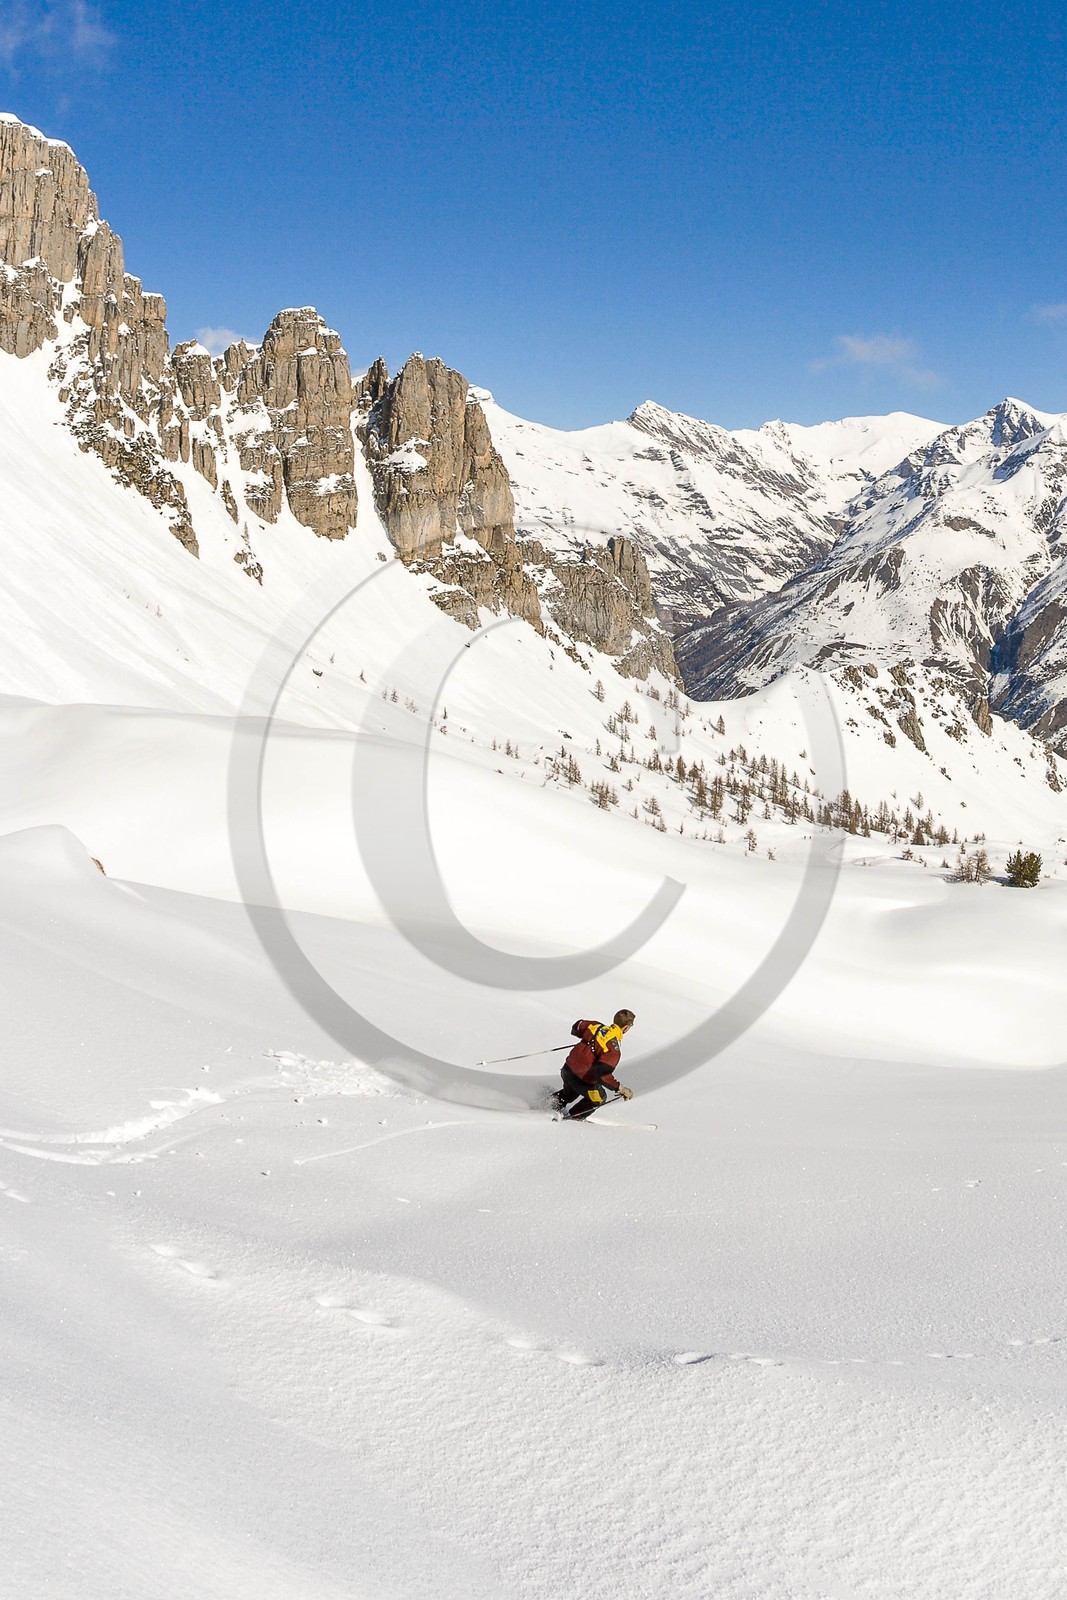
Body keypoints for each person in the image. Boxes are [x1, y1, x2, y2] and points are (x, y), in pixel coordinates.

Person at [552, 1009, 636, 1119]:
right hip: (582, 1080)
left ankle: (548, 1105)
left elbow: (577, 1026)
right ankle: (571, 1119)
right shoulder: (613, 1048)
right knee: (599, 1098)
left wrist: (586, 1038)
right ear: (626, 1028)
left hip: (567, 1070)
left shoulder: (596, 1026)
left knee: (570, 1093)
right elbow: (601, 1075)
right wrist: (620, 1088)